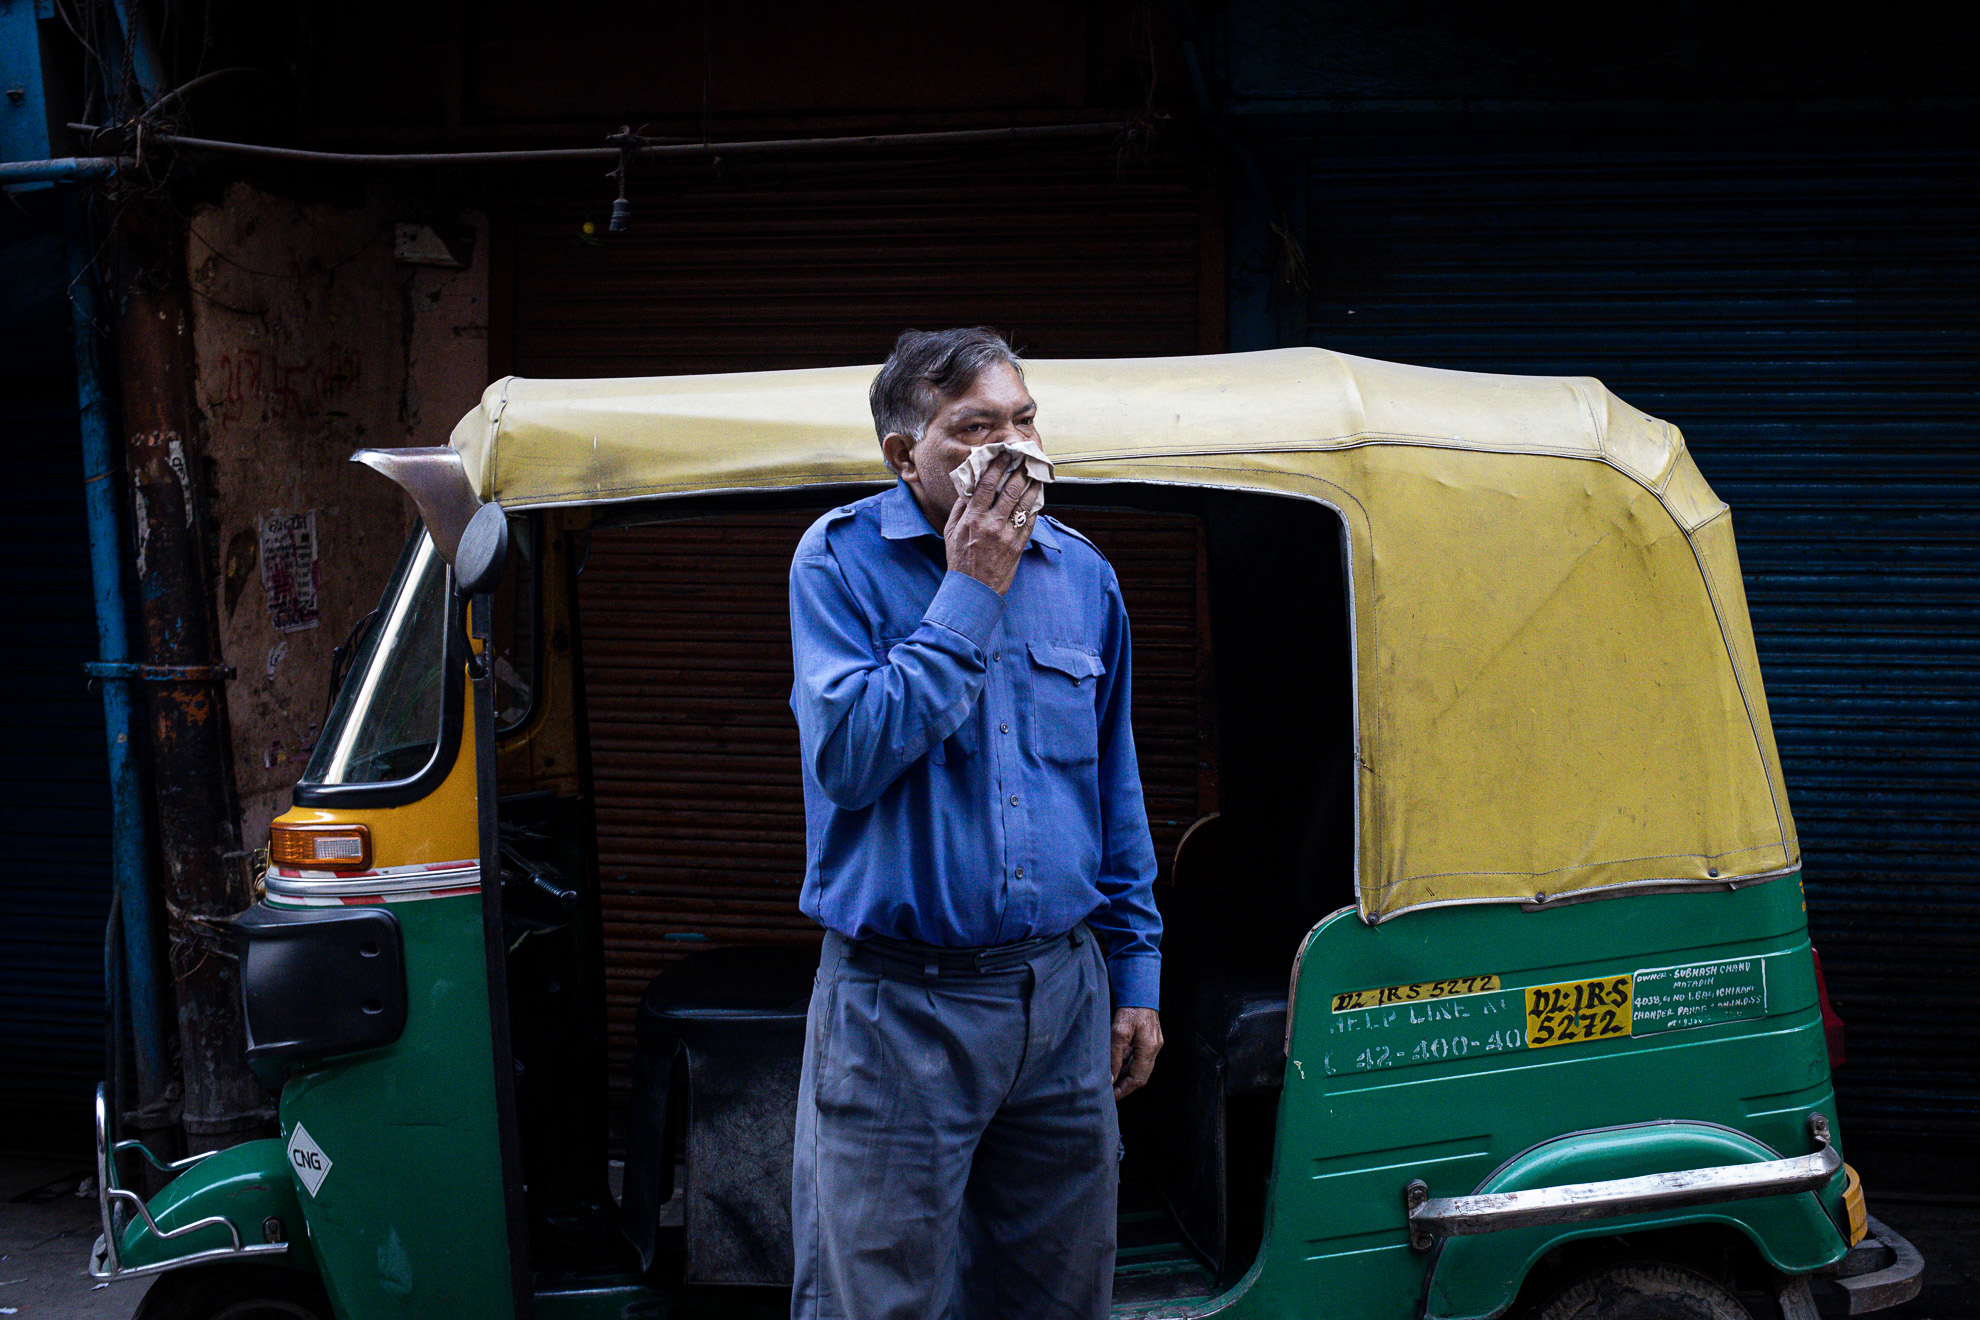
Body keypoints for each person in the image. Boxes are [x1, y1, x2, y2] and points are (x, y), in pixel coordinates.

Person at [786, 327, 1163, 1319]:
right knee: (877, 1297)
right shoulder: (839, 565)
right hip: (897, 1007)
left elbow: (1112, 786)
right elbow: (852, 758)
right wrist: (970, 590)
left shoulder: (1083, 574)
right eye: (975, 427)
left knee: (1056, 1289)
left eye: (1024, 418)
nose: (1013, 444)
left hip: (1062, 996)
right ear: (905, 456)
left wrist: (1136, 974)